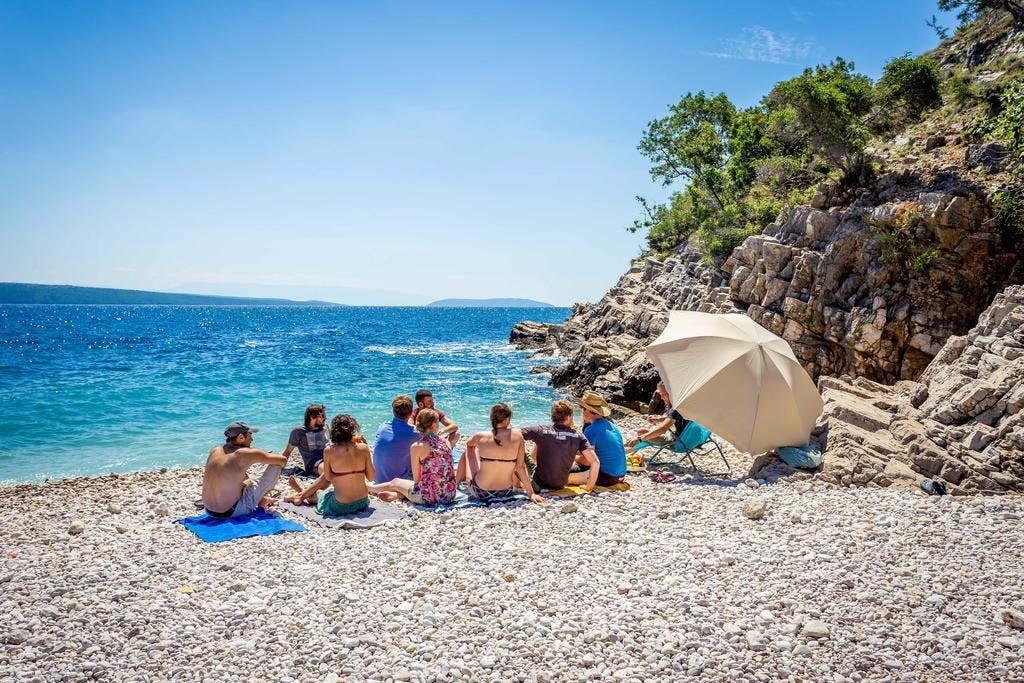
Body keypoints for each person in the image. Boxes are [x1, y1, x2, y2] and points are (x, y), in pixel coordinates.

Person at [284, 414, 375, 516]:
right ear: (353, 430)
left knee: (318, 493)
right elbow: (371, 477)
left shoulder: (329, 451)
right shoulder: (364, 448)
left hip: (341, 506)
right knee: (328, 491)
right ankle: (301, 494)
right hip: (362, 502)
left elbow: (327, 477)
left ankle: (301, 493)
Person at [369, 408, 457, 506]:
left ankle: (369, 488)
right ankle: (397, 495)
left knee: (395, 482)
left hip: (429, 497)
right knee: (410, 484)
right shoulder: (446, 442)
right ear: (434, 425)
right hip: (450, 494)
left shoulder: (417, 446)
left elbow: (416, 480)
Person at [202, 421, 288, 518]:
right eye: (250, 435)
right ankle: (261, 499)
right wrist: (264, 456)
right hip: (230, 512)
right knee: (276, 465)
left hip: (209, 511)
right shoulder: (244, 453)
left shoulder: (215, 450)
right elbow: (283, 460)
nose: (252, 439)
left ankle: (261, 498)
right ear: (241, 437)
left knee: (245, 479)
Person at [464, 403, 544, 504]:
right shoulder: (518, 436)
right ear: (507, 419)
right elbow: (520, 467)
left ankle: (457, 482)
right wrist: (531, 493)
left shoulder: (480, 436)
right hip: (506, 492)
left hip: (481, 492)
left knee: (470, 448)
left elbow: (468, 444)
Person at [522, 400, 600, 492]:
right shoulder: (578, 435)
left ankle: (516, 486)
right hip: (560, 484)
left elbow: (516, 434)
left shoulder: (541, 430)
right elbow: (595, 462)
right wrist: (588, 487)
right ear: (568, 417)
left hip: (539, 484)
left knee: (523, 446)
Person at [578, 391, 627, 486]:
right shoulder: (612, 426)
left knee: (563, 475)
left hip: (607, 477)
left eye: (582, 408)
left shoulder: (591, 430)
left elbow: (587, 462)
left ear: (586, 410)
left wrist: (574, 458)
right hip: (621, 476)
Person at [625, 381, 691, 452]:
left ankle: (626, 452)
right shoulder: (685, 404)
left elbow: (663, 429)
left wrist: (639, 439)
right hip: (690, 440)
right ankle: (628, 451)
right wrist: (659, 419)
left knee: (641, 432)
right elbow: (674, 418)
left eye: (664, 394)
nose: (661, 398)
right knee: (645, 433)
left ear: (671, 393)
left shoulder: (676, 408)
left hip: (678, 443)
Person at [372, 395, 420, 483]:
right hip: (399, 482)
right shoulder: (416, 433)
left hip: (378, 479)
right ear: (411, 412)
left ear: (393, 411)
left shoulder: (382, 427)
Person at [282, 404, 328, 476]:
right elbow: (288, 451)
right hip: (314, 464)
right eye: (322, 416)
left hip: (328, 458)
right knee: (328, 471)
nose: (325, 418)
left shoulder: (324, 428)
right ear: (312, 417)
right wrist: (279, 468)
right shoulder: (299, 431)